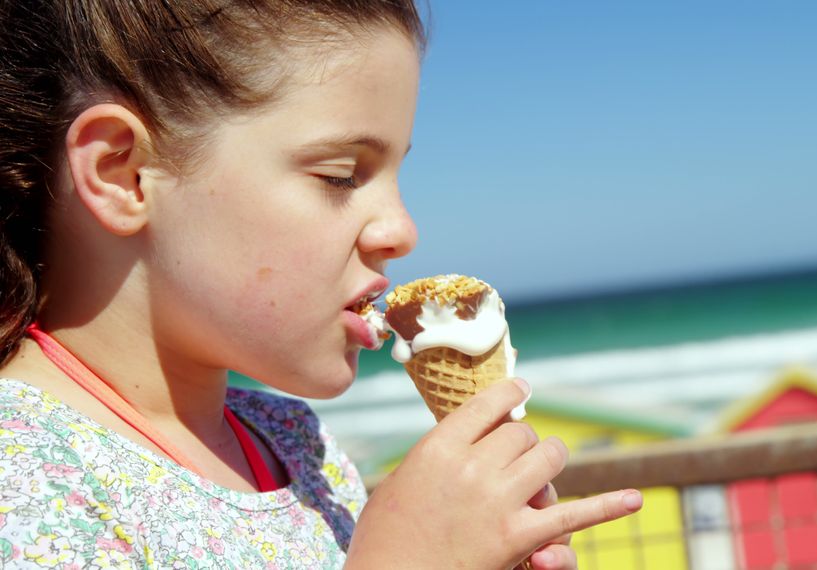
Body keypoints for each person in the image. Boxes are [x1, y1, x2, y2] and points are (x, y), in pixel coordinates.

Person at [0, 1, 643, 568]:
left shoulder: (295, 440)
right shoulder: (25, 474)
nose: (401, 230)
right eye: (340, 175)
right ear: (124, 173)